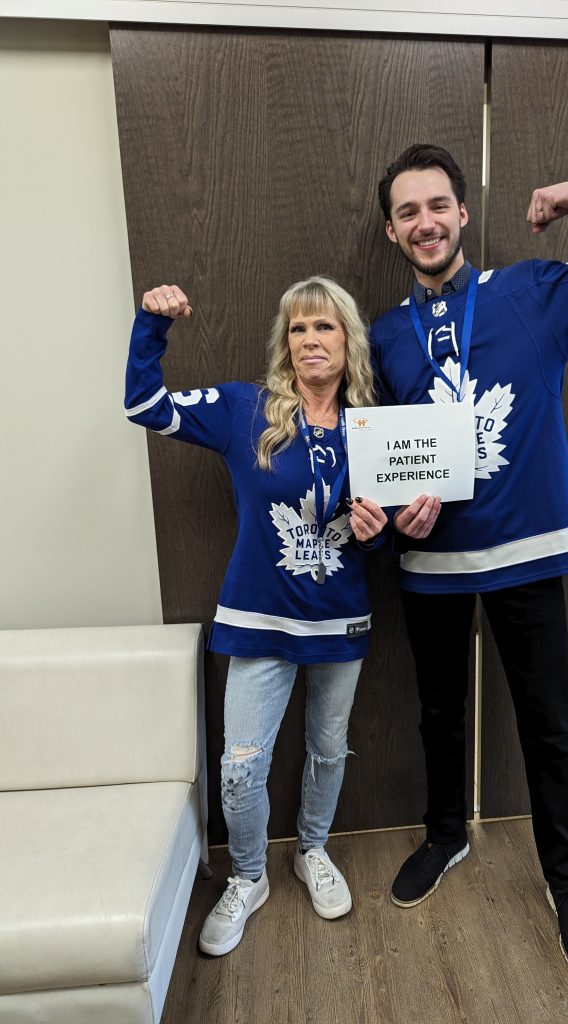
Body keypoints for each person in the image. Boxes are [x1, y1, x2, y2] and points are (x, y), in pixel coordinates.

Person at [370, 144, 568, 983]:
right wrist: (396, 502)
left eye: (437, 205)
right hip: (430, 565)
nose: (424, 223)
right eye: (407, 212)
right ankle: (445, 836)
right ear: (392, 230)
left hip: (527, 555)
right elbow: (374, 452)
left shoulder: (534, 291)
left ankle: (567, 883)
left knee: (549, 727)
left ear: (462, 214)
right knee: (438, 712)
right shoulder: (385, 333)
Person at [125, 277, 387, 957]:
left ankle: (312, 850)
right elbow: (144, 405)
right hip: (258, 617)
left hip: (340, 618)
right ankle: (247, 877)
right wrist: (152, 326)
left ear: (347, 339)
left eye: (324, 327)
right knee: (241, 766)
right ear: (285, 342)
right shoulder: (248, 409)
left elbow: (391, 529)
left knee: (329, 750)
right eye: (297, 328)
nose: (310, 340)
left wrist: (375, 529)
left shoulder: (375, 426)